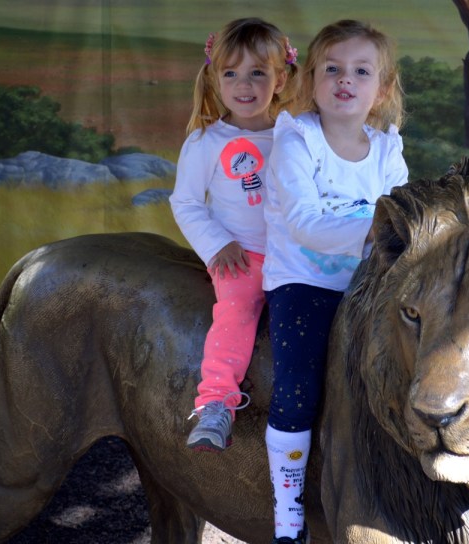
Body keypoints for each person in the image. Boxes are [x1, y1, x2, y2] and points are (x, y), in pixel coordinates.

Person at [262, 19, 408, 543]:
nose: (346, 80)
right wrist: (379, 228)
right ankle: (289, 507)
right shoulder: (297, 141)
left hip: (369, 282)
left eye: (361, 71)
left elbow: (403, 212)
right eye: (333, 69)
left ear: (381, 89)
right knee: (297, 386)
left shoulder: (387, 148)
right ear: (311, 81)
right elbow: (304, 223)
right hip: (304, 280)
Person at [169, 18, 299, 453]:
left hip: (292, 255)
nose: (244, 85)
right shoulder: (206, 141)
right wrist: (217, 244)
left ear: (279, 79)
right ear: (214, 78)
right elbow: (185, 203)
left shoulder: (294, 136)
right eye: (231, 73)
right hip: (240, 256)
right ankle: (215, 405)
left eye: (257, 73)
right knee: (237, 314)